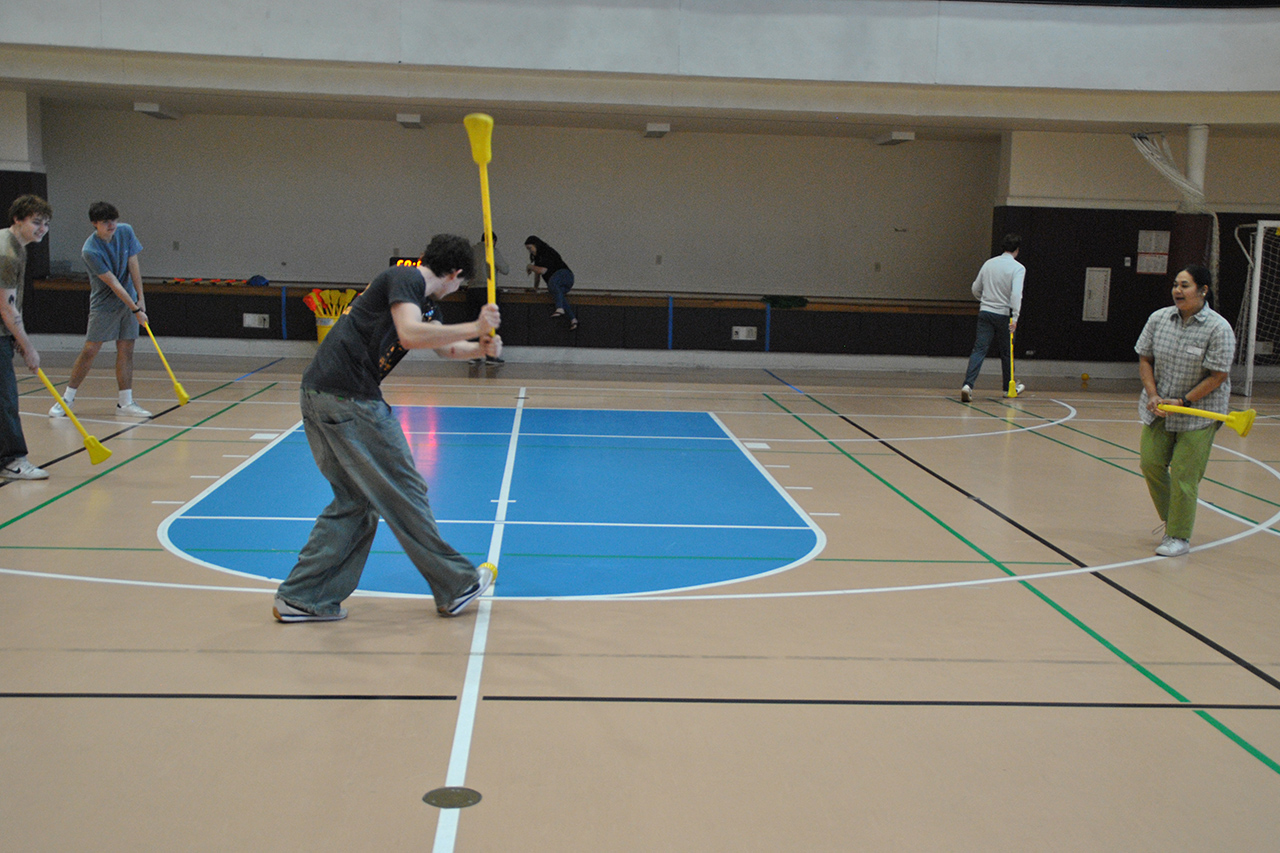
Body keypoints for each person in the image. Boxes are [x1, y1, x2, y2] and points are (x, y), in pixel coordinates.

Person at [273, 233, 501, 623]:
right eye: (461, 283)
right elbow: (410, 334)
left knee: (355, 503)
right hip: (350, 400)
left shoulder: (423, 301)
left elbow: (442, 347)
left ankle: (302, 597)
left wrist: (480, 347)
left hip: (321, 394)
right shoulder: (405, 278)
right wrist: (474, 325)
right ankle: (456, 585)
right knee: (405, 491)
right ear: (455, 274)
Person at [1135, 263, 1236, 558]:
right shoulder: (1158, 319)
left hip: (1199, 412)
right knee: (1150, 463)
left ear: (1203, 291)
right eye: (1176, 285)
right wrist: (1153, 395)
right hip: (1159, 408)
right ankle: (1176, 517)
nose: (1177, 290)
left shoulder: (1218, 328)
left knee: (1183, 473)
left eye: (1185, 285)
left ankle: (1178, 535)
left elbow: (1218, 376)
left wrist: (1184, 402)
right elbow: (1145, 359)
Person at [49, 202, 152, 419]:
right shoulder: (90, 250)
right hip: (104, 303)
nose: (112, 225)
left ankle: (125, 402)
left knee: (126, 349)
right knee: (90, 349)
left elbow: (133, 264)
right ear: (94, 223)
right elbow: (113, 283)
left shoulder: (126, 231)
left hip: (130, 301)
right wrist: (135, 310)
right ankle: (66, 399)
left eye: (113, 219)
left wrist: (140, 298)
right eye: (106, 222)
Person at [1, 194, 52, 480]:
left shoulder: (17, 246)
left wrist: (15, 337)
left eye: (46, 223)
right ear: (18, 219)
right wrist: (28, 347)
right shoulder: (7, 253)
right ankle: (12, 460)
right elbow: (6, 308)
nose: (42, 229)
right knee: (5, 398)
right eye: (36, 222)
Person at [961, 233, 1025, 402]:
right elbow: (1016, 295)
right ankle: (1007, 388)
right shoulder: (1018, 268)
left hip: (985, 313)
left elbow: (975, 288)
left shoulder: (989, 264)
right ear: (1017, 250)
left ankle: (968, 385)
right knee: (1007, 353)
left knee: (979, 350)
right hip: (1004, 315)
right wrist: (1015, 317)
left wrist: (984, 301)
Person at [468, 231, 509, 364]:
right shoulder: (492, 250)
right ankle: (491, 357)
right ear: (494, 241)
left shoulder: (471, 251)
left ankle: (474, 355)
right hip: (488, 290)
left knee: (475, 323)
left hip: (472, 290)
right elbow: (505, 269)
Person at [525, 235, 577, 330]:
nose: (530, 251)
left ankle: (559, 308)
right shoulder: (538, 259)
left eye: (530, 248)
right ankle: (573, 319)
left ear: (536, 245)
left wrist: (529, 266)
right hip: (561, 281)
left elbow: (543, 271)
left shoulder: (546, 252)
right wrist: (535, 288)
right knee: (558, 295)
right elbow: (537, 274)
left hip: (565, 275)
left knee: (552, 283)